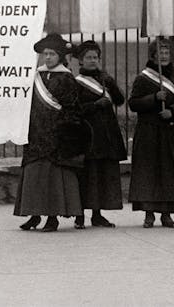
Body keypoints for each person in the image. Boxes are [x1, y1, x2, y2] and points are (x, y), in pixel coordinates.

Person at [15, 33, 86, 232]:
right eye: (45, 54)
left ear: (61, 56)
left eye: (52, 54)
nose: (47, 57)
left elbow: (72, 109)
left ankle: (52, 218)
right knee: (33, 177)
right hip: (35, 135)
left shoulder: (67, 79)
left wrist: (61, 129)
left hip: (56, 137)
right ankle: (34, 215)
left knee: (52, 179)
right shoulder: (36, 75)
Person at [127, 35, 174, 228]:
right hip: (149, 132)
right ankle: (149, 214)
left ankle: (166, 213)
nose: (164, 56)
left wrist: (172, 111)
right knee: (149, 173)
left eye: (167, 53)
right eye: (160, 53)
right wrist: (154, 98)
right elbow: (133, 103)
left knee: (168, 172)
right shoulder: (143, 78)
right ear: (153, 56)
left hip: (171, 131)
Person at [69, 39, 126, 229]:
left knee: (100, 176)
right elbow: (74, 110)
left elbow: (119, 100)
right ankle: (80, 216)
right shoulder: (77, 83)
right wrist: (94, 106)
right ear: (81, 61)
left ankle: (97, 214)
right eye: (88, 57)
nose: (93, 61)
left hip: (106, 135)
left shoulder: (104, 80)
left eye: (95, 57)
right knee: (85, 177)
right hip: (87, 135)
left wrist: (111, 83)